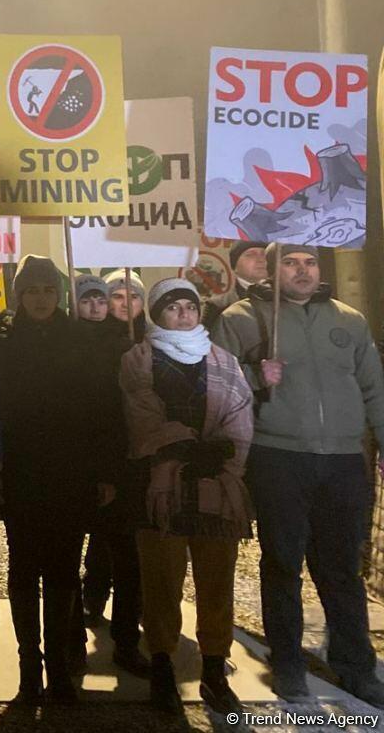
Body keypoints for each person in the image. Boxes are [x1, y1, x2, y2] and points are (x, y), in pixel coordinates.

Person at [212, 243, 384, 706]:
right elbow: (217, 382)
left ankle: (356, 666)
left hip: (343, 459)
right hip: (278, 456)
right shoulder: (242, 319)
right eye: (290, 263)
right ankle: (288, 663)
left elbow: (374, 386)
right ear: (271, 270)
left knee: (342, 568)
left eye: (309, 262)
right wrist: (255, 376)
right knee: (283, 563)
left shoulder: (349, 320)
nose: (302, 271)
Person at [122, 278, 253, 716]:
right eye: (173, 307)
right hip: (160, 487)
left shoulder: (224, 361)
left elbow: (239, 413)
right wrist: (184, 448)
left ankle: (214, 669)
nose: (184, 314)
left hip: (216, 486)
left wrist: (223, 456)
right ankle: (162, 665)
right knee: (161, 581)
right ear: (156, 313)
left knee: (216, 581)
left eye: (191, 307)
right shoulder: (138, 360)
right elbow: (142, 416)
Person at [0, 256, 99, 703]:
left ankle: (58, 663)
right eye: (32, 291)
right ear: (19, 295)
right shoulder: (0, 343)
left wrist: (101, 471)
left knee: (63, 570)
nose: (40, 299)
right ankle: (28, 665)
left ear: (59, 294)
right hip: (21, 473)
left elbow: (100, 409)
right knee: (23, 568)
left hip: (70, 473)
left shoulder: (80, 340)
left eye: (48, 290)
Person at [75, 271, 150, 679]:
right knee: (82, 549)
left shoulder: (145, 343)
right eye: (112, 296)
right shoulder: (78, 342)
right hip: (88, 459)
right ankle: (74, 631)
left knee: (129, 555)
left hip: (130, 461)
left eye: (130, 296)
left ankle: (126, 638)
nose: (120, 303)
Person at [202, 240, 268, 331]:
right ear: (235, 266)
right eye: (250, 255)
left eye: (264, 254)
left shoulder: (285, 300)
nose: (261, 260)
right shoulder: (218, 306)